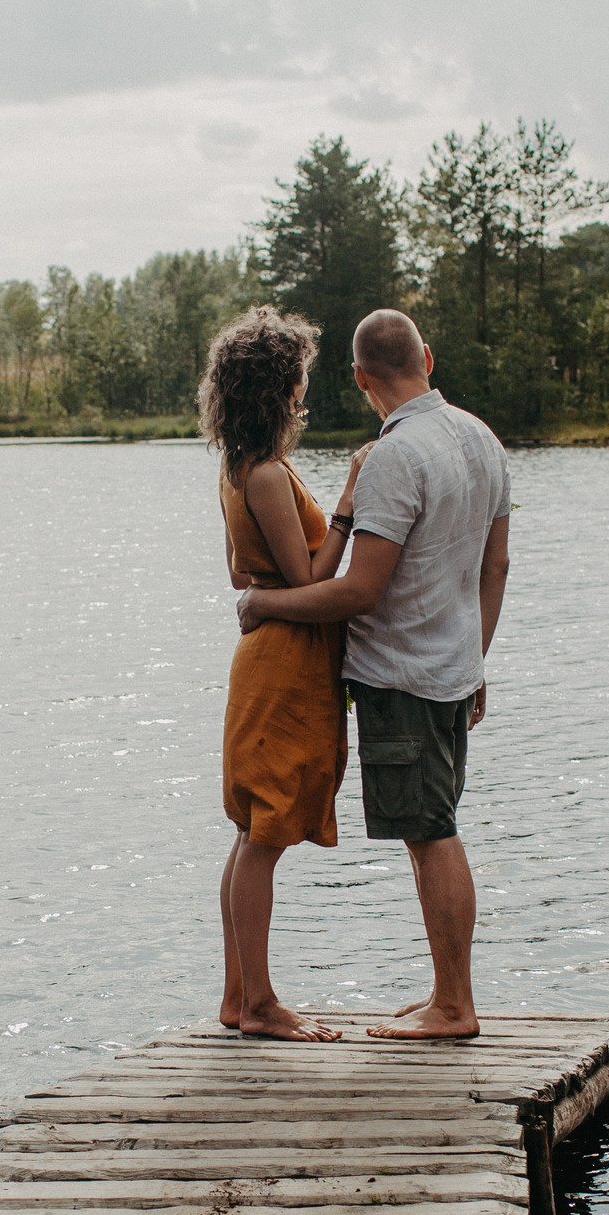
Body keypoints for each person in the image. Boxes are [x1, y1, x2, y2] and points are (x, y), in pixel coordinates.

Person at [236, 309, 510, 1040]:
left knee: (432, 831)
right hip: (453, 671)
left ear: (361, 379)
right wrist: (474, 656)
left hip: (403, 677)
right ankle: (445, 993)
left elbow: (360, 592)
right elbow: (496, 566)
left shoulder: (394, 456)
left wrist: (261, 599)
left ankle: (454, 1004)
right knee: (432, 826)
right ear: (427, 353)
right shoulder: (483, 439)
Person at [199, 306, 379, 1042]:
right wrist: (347, 504)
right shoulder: (267, 474)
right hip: (282, 663)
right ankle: (260, 1002)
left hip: (277, 651)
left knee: (253, 831)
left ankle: (240, 995)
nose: (307, 389)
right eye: (299, 377)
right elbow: (310, 573)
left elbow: (244, 569)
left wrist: (263, 594)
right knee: (264, 829)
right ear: (279, 387)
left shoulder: (241, 466)